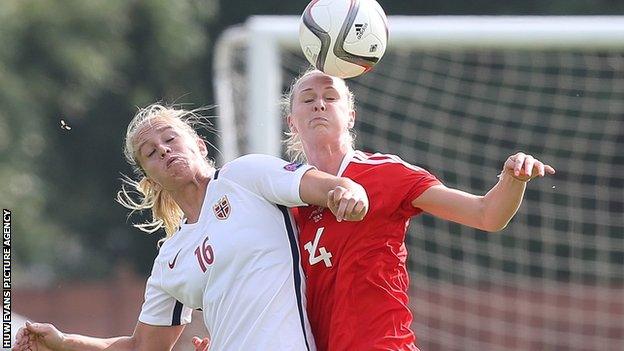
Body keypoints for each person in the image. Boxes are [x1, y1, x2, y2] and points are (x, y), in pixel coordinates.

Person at [13, 103, 371, 351]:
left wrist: (349, 191)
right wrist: (64, 342)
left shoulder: (245, 176)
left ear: (199, 145)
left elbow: (324, 186)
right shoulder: (171, 258)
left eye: (170, 139)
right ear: (150, 180)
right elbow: (142, 346)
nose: (165, 151)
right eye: (151, 153)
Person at [282, 69, 556, 351]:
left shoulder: (387, 174)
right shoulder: (287, 201)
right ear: (291, 122)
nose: (319, 104)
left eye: (330, 97)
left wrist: (512, 179)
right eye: (307, 99)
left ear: (351, 115)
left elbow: (486, 215)